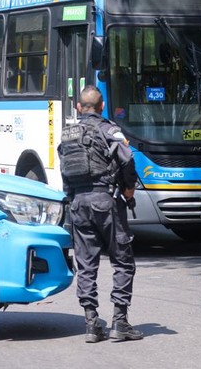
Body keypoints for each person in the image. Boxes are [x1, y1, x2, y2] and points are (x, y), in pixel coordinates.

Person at [58, 85, 143, 343]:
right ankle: (119, 321)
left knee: (86, 264)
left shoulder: (67, 135)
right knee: (122, 260)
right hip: (106, 201)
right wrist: (129, 189)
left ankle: (92, 323)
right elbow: (127, 159)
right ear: (103, 105)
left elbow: (64, 168)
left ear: (78, 107)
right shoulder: (109, 130)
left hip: (78, 204)